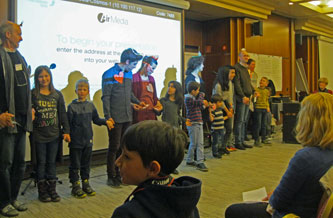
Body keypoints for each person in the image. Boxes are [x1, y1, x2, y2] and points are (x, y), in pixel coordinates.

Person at [225, 92, 333, 218]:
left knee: (233, 211)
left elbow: (277, 202)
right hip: (313, 210)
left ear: (307, 120)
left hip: (294, 213)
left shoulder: (305, 158)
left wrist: (274, 195)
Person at [111, 120, 202, 218]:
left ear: (153, 169)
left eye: (127, 157)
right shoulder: (187, 203)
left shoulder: (127, 213)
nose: (117, 162)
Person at [0, 21, 32, 217]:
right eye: (18, 34)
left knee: (20, 163)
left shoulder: (20, 56)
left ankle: (13, 198)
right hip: (6, 120)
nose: (21, 37)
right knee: (5, 164)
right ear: (8, 35)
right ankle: (3, 202)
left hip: (22, 118)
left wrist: (31, 109)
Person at [102, 48, 145, 187]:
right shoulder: (109, 74)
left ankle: (120, 173)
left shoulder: (129, 74)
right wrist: (108, 116)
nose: (135, 67)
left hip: (128, 116)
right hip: (115, 117)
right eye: (134, 64)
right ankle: (111, 175)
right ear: (127, 61)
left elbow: (129, 93)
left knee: (124, 147)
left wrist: (137, 102)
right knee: (114, 147)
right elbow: (106, 97)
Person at [67, 79, 114, 198]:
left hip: (88, 140)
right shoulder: (71, 107)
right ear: (75, 91)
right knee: (75, 164)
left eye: (84, 90)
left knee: (86, 163)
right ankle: (75, 185)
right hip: (75, 141)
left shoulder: (90, 105)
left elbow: (96, 120)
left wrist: (106, 122)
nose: (82, 92)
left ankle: (85, 182)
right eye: (79, 89)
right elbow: (68, 124)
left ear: (88, 91)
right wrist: (66, 134)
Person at [31, 65, 70, 202]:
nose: (44, 79)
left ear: (50, 77)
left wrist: (66, 131)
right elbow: (29, 112)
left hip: (54, 135)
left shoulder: (57, 94)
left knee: (51, 163)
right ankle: (42, 191)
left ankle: (52, 189)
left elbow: (62, 114)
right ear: (37, 78)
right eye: (41, 76)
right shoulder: (33, 94)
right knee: (41, 163)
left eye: (46, 76)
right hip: (39, 136)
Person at [185, 81, 209, 172]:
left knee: (200, 143)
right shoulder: (188, 98)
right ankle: (191, 160)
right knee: (194, 143)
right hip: (193, 123)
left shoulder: (194, 99)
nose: (199, 92)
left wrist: (205, 105)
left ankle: (198, 161)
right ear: (193, 91)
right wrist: (202, 95)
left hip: (199, 122)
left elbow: (200, 107)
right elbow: (198, 102)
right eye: (198, 90)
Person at [132, 56, 162, 123]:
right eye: (152, 68)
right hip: (139, 112)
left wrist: (158, 105)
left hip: (151, 112)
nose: (152, 71)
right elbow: (131, 96)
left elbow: (154, 96)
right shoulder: (134, 78)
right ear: (145, 64)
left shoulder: (151, 79)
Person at [212, 65, 236, 152]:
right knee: (220, 130)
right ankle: (217, 148)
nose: (234, 75)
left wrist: (231, 108)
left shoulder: (229, 82)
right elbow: (219, 101)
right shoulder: (218, 85)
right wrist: (227, 111)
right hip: (219, 107)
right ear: (226, 73)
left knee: (229, 129)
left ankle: (224, 146)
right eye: (232, 73)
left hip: (227, 105)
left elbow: (230, 96)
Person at [233, 48, 254, 150]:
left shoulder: (246, 68)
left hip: (248, 97)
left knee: (244, 120)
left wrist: (254, 91)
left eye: (247, 56)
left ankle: (242, 140)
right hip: (242, 98)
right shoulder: (236, 68)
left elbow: (248, 83)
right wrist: (242, 96)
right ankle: (238, 141)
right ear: (239, 57)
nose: (247, 57)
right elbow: (237, 85)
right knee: (240, 120)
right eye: (245, 56)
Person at [208, 94, 229, 158]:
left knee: (220, 140)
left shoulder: (220, 110)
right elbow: (211, 119)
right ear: (215, 103)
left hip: (221, 128)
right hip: (215, 129)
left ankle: (219, 150)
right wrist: (209, 112)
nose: (221, 103)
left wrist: (227, 116)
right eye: (220, 102)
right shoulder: (213, 111)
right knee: (215, 141)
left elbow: (221, 118)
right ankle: (215, 152)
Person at [253, 77, 271, 147]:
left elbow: (266, 100)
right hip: (258, 108)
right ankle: (256, 140)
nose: (261, 82)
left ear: (266, 84)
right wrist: (255, 96)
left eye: (263, 81)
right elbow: (253, 99)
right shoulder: (256, 90)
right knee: (258, 124)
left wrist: (267, 106)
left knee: (264, 124)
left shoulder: (266, 91)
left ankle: (264, 138)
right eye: (261, 80)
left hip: (264, 108)